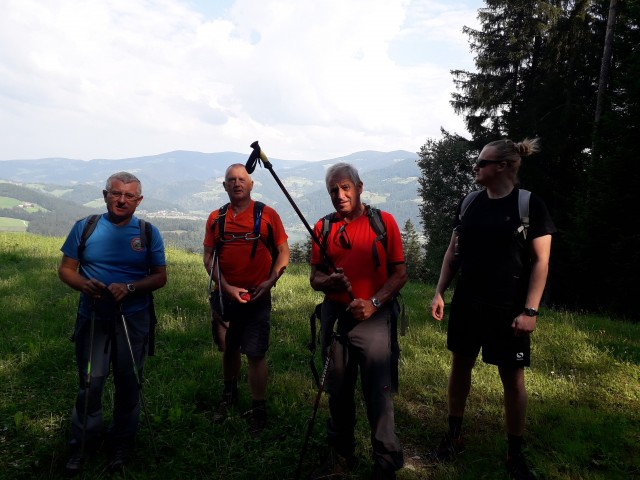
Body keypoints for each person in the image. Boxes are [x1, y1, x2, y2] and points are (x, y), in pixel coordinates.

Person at [429, 138, 556, 480]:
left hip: (508, 308)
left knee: (512, 379)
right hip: (468, 302)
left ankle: (515, 453)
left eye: (481, 162)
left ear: (502, 167)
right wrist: (440, 291)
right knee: (460, 365)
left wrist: (530, 311)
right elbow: (453, 251)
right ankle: (454, 434)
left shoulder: (529, 205)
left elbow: (541, 261)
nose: (475, 167)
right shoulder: (470, 203)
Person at [58, 172, 167, 475]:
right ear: (105, 195)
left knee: (129, 382)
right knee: (90, 382)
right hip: (92, 316)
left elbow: (160, 276)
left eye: (129, 196)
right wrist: (83, 284)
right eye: (115, 194)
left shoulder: (147, 232)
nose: (121, 200)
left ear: (138, 200)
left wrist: (130, 288)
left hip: (133, 319)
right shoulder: (86, 227)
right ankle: (84, 444)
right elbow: (66, 269)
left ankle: (122, 444)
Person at [309, 163, 407, 480]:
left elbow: (399, 273)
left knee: (378, 391)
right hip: (336, 318)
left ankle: (386, 463)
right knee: (338, 390)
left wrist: (374, 302)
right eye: (333, 191)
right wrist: (329, 282)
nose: (339, 195)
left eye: (345, 188)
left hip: (375, 318)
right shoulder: (323, 229)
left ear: (359, 187)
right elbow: (314, 277)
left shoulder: (383, 223)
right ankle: (341, 456)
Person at [202, 163, 289, 435]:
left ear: (251, 185)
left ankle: (258, 407)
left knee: (255, 352)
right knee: (228, 348)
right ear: (224, 186)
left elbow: (283, 253)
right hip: (225, 295)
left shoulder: (268, 216)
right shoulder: (216, 218)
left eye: (242, 179)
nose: (237, 183)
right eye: (231, 179)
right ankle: (228, 396)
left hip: (257, 295)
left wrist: (270, 282)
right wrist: (225, 287)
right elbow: (208, 257)